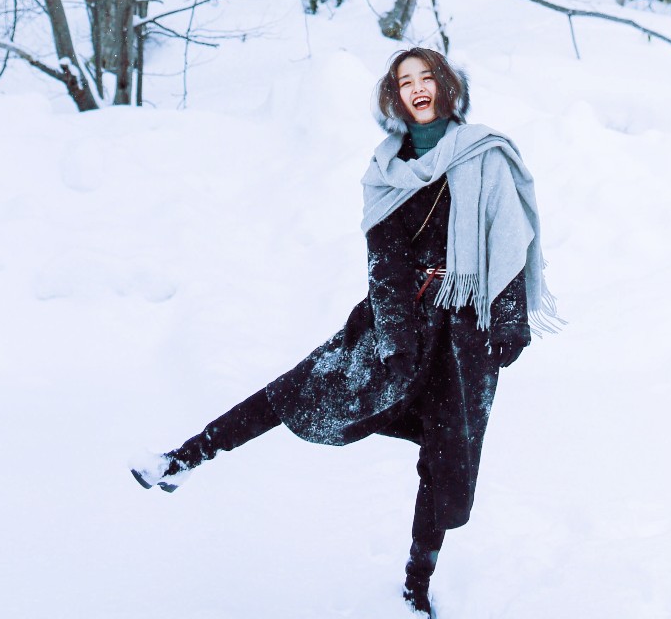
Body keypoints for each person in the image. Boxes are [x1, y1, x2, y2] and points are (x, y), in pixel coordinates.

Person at [132, 45, 556, 615]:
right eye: (405, 81)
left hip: (464, 336)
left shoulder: (486, 155)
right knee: (299, 389)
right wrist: (395, 340)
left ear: (448, 86)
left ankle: (416, 583)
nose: (418, 87)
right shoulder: (385, 172)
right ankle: (184, 458)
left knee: (443, 462)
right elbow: (386, 262)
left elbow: (509, 239)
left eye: (428, 76)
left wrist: (507, 322)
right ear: (394, 98)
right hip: (398, 323)